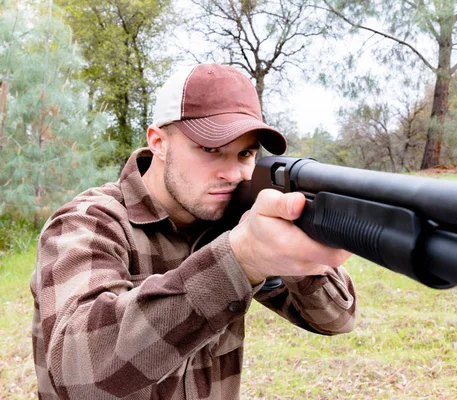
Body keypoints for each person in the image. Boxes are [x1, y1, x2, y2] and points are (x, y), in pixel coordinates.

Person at [30, 63, 357, 399]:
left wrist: (298, 258)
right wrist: (238, 260)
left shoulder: (234, 215)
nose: (233, 173)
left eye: (245, 153)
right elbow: (78, 372)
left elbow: (336, 320)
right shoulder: (88, 222)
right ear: (158, 142)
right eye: (211, 150)